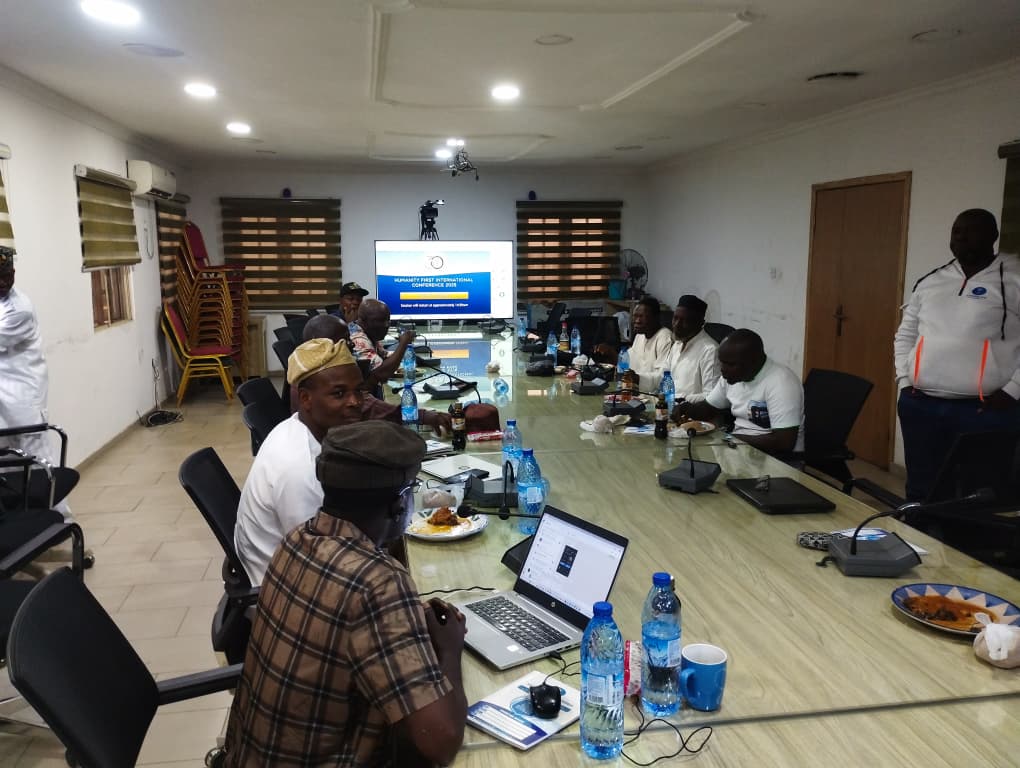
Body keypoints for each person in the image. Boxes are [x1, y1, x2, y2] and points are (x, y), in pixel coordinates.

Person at [225, 420, 467, 767]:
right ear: (399, 504)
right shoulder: (378, 582)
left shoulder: (296, 540)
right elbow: (440, 743)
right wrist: (450, 649)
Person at [236, 338, 449, 585]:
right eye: (339, 394)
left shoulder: (296, 426)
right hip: (287, 588)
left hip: (304, 569)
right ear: (305, 398)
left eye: (359, 391)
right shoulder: (300, 469)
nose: (355, 402)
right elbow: (322, 560)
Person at [894, 208, 1020, 500]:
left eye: (971, 230)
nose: (961, 237)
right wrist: (904, 379)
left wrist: (1013, 390)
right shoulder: (931, 281)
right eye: (956, 231)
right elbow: (906, 334)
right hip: (921, 405)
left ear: (993, 235)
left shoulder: (1014, 278)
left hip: (985, 411)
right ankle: (920, 529)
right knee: (923, 490)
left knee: (980, 494)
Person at [293, 314, 451, 433]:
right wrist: (422, 416)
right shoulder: (320, 378)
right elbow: (369, 408)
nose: (352, 344)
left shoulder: (307, 368)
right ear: (320, 345)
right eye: (344, 340)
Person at [0, 246, 68, 519]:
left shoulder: (20, 310)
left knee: (40, 466)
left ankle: (61, 525)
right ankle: (22, 529)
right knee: (8, 469)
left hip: (24, 401)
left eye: (7, 275)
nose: (3, 282)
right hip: (4, 402)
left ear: (14, 273)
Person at [674, 328, 803, 455]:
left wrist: (732, 438)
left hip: (777, 458)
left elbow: (784, 442)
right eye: (722, 363)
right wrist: (687, 409)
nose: (723, 369)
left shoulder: (781, 382)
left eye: (730, 364)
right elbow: (709, 408)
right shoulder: (732, 376)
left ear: (753, 361)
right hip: (740, 449)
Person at [640, 294, 720, 400]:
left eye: (684, 320)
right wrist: (638, 378)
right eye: (675, 318)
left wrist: (679, 398)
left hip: (688, 408)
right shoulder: (677, 344)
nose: (677, 325)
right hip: (666, 403)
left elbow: (711, 397)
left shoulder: (710, 351)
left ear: (700, 323)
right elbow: (662, 377)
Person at [349, 298, 416, 388]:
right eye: (380, 320)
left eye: (388, 320)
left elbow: (384, 355)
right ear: (362, 320)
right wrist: (403, 344)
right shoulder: (358, 339)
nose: (386, 325)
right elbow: (382, 374)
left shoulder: (369, 331)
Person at [626, 296, 674, 386]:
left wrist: (639, 378)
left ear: (656, 317)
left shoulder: (665, 337)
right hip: (635, 388)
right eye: (635, 316)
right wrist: (613, 355)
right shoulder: (639, 335)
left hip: (654, 392)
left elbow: (662, 376)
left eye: (641, 317)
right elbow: (628, 361)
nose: (637, 321)